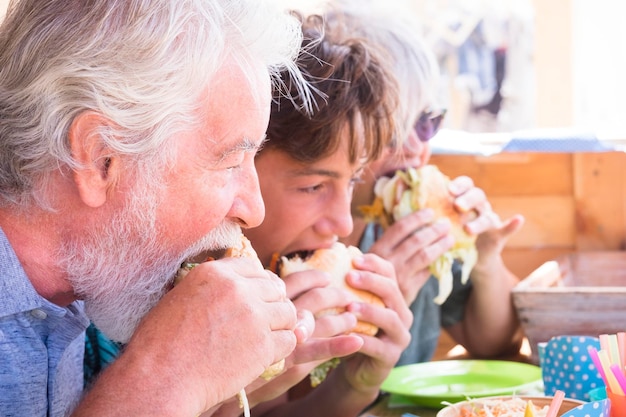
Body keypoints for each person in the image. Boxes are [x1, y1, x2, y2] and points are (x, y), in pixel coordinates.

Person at [0, 1, 334, 416]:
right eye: (230, 162)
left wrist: (214, 397)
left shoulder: (85, 286)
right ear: (101, 159)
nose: (254, 210)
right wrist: (164, 379)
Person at [208, 10, 413, 417]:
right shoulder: (153, 295)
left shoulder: (270, 281)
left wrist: (353, 386)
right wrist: (224, 396)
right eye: (314, 186)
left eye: (351, 181)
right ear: (238, 168)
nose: (343, 223)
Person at [328, 2, 526, 365]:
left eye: (427, 122)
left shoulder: (407, 224)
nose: (416, 148)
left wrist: (484, 260)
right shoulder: (307, 246)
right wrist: (370, 297)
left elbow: (493, 344)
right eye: (391, 130)